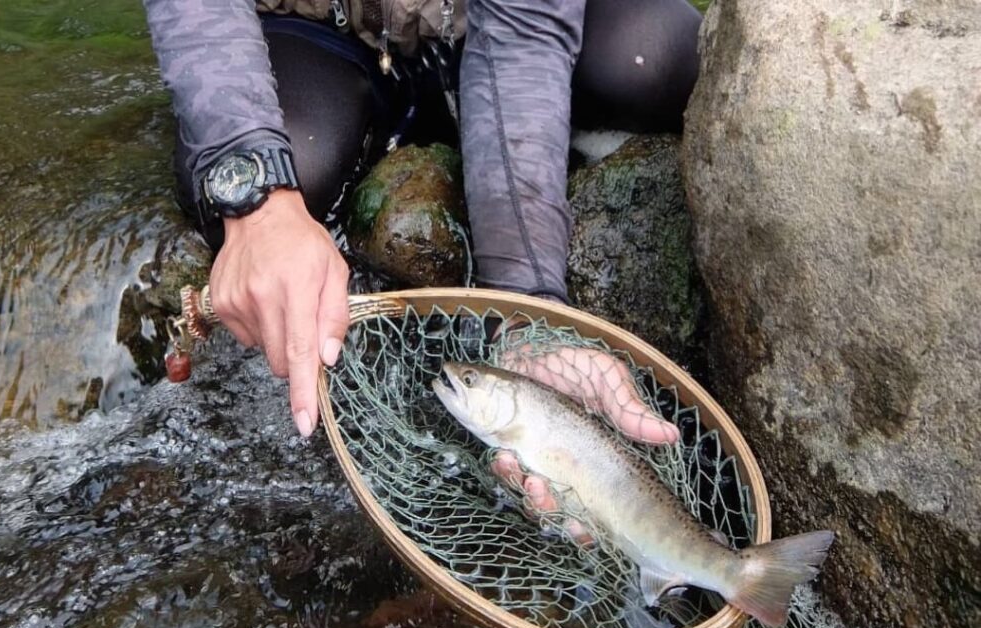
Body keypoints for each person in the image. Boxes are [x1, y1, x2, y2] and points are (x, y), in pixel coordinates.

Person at [143, 0, 700, 528]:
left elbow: (524, 29)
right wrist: (256, 190)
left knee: (660, 57)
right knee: (300, 163)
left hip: (494, 26)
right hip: (309, 31)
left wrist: (526, 302)